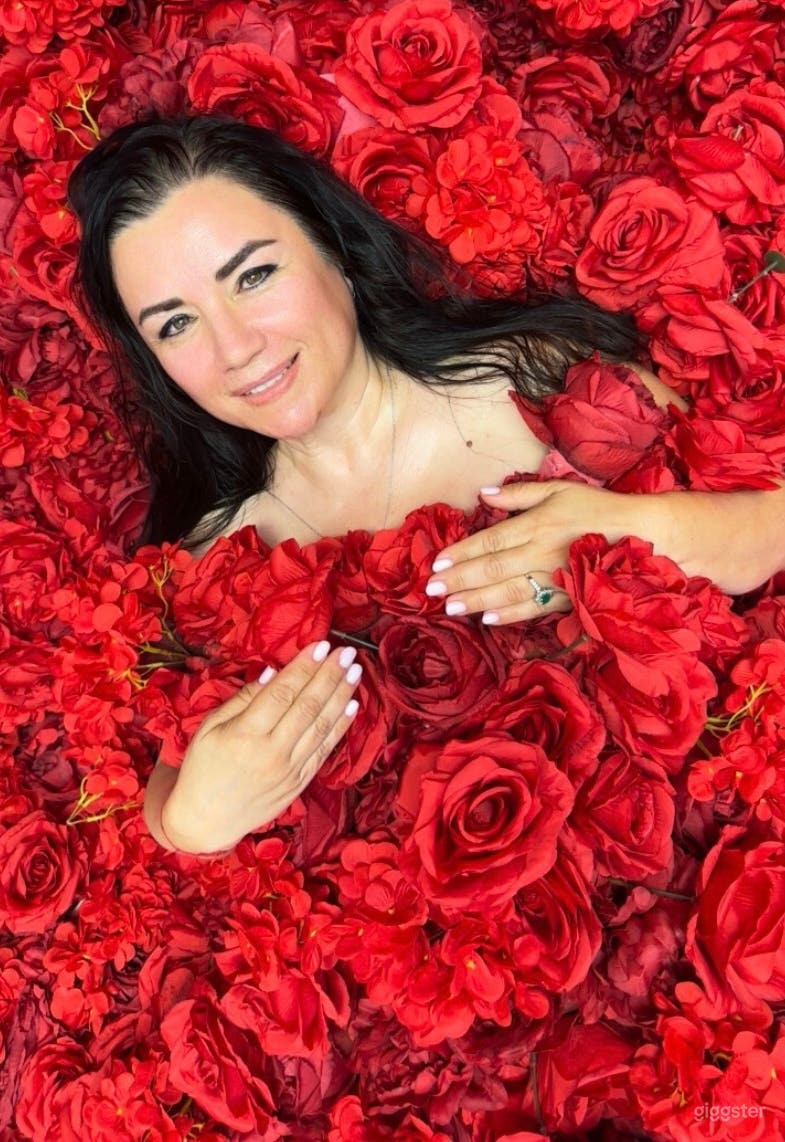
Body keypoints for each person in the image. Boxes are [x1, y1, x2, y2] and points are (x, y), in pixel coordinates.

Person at [66, 112, 785, 857]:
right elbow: (174, 782)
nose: (236, 347)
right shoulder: (216, 562)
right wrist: (189, 824)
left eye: (253, 276)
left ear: (332, 251)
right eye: (176, 325)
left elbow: (772, 516)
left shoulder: (540, 380)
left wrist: (626, 535)